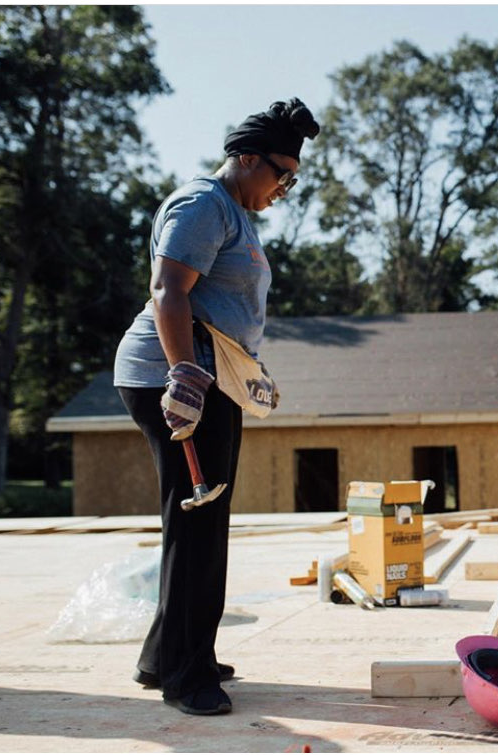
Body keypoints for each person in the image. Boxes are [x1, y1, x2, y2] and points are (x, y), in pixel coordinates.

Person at [112, 98, 320, 715]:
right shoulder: (203, 204)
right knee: (197, 522)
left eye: (294, 177)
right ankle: (186, 675)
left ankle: (172, 655)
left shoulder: (238, 213)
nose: (285, 186)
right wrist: (183, 374)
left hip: (212, 378)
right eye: (281, 172)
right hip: (173, 377)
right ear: (246, 157)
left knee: (205, 518)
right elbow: (167, 291)